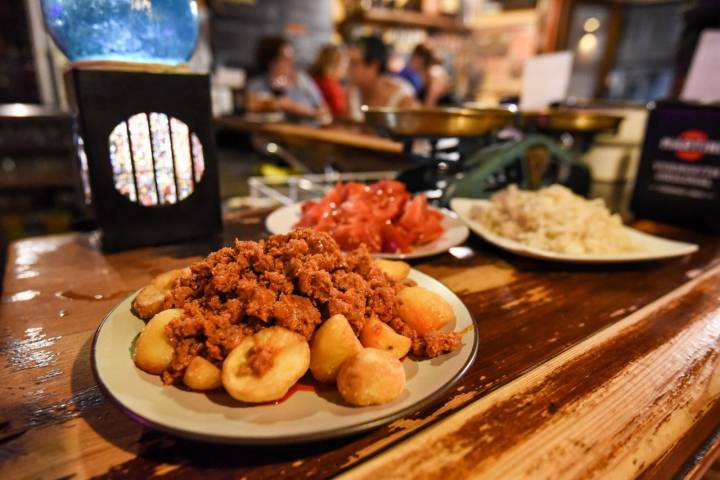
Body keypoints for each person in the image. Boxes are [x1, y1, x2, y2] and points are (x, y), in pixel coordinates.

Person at [246, 36, 328, 122]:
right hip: (270, 133)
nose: (291, 61)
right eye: (286, 58)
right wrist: (277, 104)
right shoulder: (257, 85)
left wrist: (296, 108)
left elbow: (324, 111)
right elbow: (249, 107)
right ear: (271, 61)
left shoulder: (302, 80)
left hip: (305, 132)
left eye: (292, 57)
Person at [347, 36, 417, 121]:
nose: (348, 69)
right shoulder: (352, 93)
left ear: (374, 66)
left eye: (355, 64)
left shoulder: (401, 100)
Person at [310, 44, 347, 118]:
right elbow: (342, 112)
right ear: (333, 65)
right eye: (343, 63)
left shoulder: (312, 81)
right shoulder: (332, 87)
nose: (346, 67)